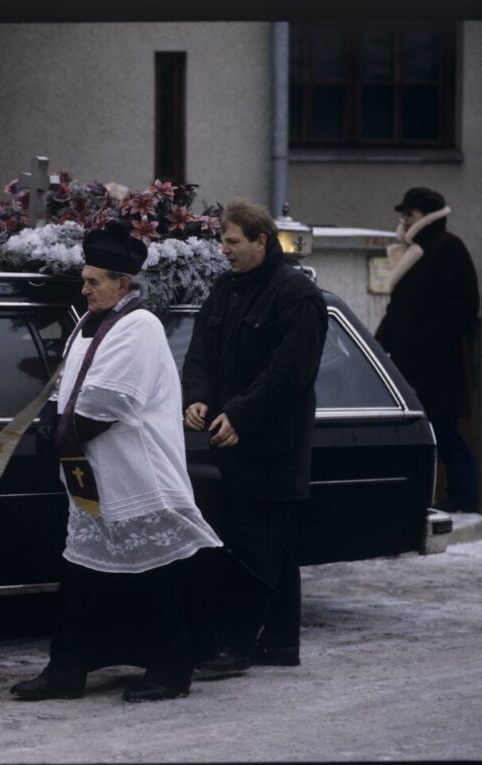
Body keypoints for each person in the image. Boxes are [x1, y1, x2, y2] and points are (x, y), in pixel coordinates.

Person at [9, 219, 223, 703]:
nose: (84, 289)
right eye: (84, 279)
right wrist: (51, 419)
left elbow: (108, 403)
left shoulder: (140, 325)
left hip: (135, 474)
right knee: (84, 576)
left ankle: (171, 671)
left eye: (93, 282)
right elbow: (68, 387)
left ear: (123, 284)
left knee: (153, 577)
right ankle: (67, 671)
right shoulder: (90, 324)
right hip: (96, 476)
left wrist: (57, 434)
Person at [182, 197, 328, 679]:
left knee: (251, 546)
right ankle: (282, 642)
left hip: (274, 443)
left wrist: (240, 413)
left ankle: (235, 645)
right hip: (232, 439)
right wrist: (198, 397)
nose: (223, 250)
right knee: (271, 545)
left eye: (232, 241)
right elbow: (200, 351)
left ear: (261, 241)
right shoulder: (226, 289)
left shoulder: (296, 294)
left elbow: (289, 372)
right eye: (222, 241)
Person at [374, 187, 480, 513]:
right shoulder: (417, 251)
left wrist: (424, 339)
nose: (404, 219)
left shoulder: (448, 248)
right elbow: (398, 311)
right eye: (403, 214)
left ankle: (463, 496)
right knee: (421, 431)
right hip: (412, 363)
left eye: (410, 214)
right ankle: (421, 495)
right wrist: (377, 349)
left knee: (444, 430)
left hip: (438, 365)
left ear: (427, 216)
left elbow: (464, 307)